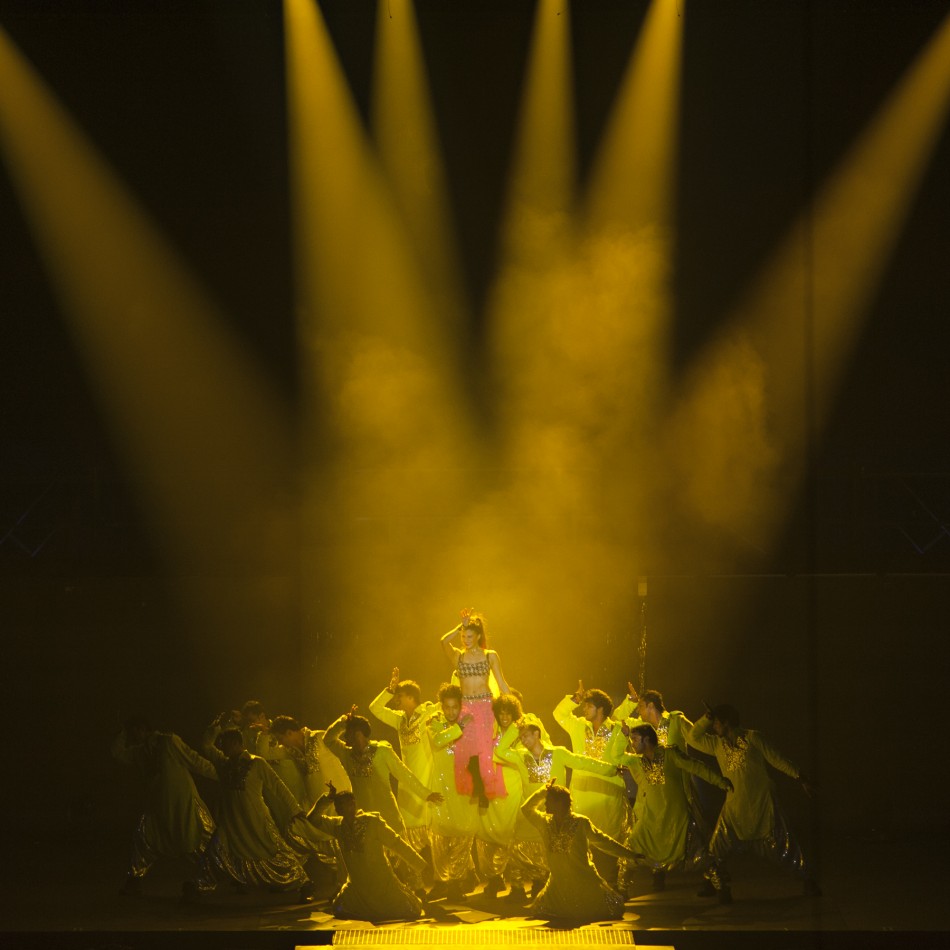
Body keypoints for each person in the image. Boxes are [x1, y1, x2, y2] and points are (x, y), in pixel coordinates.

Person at [688, 704, 821, 904]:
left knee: (784, 846)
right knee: (717, 847)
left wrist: (800, 777)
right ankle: (711, 882)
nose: (714, 727)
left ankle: (808, 879)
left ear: (726, 723)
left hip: (761, 805)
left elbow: (777, 759)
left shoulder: (753, 738)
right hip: (733, 808)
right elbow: (693, 738)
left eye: (716, 723)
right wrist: (706, 718)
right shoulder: (717, 745)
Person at [496, 716, 621, 903]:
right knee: (517, 849)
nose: (523, 740)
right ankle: (517, 889)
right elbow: (500, 750)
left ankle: (543, 885)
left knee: (551, 852)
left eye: (526, 736)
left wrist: (611, 769)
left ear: (537, 734)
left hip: (553, 816)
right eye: (521, 737)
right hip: (530, 815)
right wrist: (515, 726)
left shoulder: (557, 753)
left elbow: (583, 762)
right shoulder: (521, 756)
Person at [324, 707, 443, 895]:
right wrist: (342, 721)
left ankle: (418, 889)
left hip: (388, 812)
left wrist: (426, 794)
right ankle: (383, 893)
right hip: (363, 815)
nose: (346, 738)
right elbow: (328, 739)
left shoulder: (382, 751)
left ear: (359, 734)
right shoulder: (347, 755)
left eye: (349, 734)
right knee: (372, 856)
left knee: (401, 851)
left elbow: (404, 775)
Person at [610, 723, 732, 894]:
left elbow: (696, 766)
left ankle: (722, 889)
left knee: (701, 856)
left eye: (635, 739)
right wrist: (623, 736)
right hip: (650, 823)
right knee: (629, 852)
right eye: (631, 740)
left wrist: (720, 781)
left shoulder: (670, 754)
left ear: (646, 739)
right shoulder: (636, 762)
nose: (633, 743)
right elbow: (615, 756)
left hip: (677, 820)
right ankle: (621, 893)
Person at [200, 723, 313, 902]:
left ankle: (303, 883)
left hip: (257, 818)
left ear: (237, 744)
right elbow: (207, 747)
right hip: (231, 822)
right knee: (215, 850)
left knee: (275, 850)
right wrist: (214, 731)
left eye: (227, 743)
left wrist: (295, 809)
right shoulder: (224, 764)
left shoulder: (256, 762)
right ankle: (199, 886)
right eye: (222, 744)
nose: (223, 747)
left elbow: (277, 786)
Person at [111, 716, 217, 898]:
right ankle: (134, 882)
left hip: (184, 803)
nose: (136, 734)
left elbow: (194, 761)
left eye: (138, 729)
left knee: (200, 838)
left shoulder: (169, 741)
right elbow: (119, 753)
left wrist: (221, 774)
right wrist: (120, 734)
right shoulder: (139, 751)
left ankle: (206, 881)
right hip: (158, 807)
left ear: (146, 728)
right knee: (144, 839)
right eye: (132, 732)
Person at [310, 784, 428, 922]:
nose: (349, 807)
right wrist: (327, 799)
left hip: (382, 882)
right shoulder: (337, 826)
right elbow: (313, 819)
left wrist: (420, 865)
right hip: (357, 886)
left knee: (409, 910)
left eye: (351, 803)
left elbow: (397, 843)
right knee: (339, 908)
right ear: (337, 809)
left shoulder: (372, 822)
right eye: (344, 805)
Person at [522, 782, 637, 922]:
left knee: (612, 909)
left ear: (559, 803)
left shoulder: (581, 823)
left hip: (584, 881)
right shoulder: (545, 822)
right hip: (558, 886)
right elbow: (526, 809)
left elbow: (603, 841)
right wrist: (542, 792)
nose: (545, 804)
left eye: (548, 801)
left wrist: (628, 853)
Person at [553, 681, 629, 882]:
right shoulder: (578, 726)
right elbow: (559, 714)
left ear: (601, 708)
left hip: (607, 793)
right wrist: (574, 700)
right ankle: (583, 886)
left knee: (608, 841)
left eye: (588, 705)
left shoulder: (616, 730)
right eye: (583, 705)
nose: (584, 709)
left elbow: (621, 756)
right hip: (581, 793)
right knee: (581, 841)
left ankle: (612, 884)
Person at [440, 608, 511, 806]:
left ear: (478, 635)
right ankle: (476, 789)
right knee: (465, 751)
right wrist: (459, 626)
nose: (465, 639)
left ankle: (483, 792)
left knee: (484, 752)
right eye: (463, 636)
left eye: (469, 635)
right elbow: (444, 641)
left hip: (485, 706)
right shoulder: (458, 657)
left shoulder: (490, 656)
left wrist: (516, 709)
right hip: (465, 708)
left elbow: (502, 684)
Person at [369, 668, 439, 854]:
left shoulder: (428, 712)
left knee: (432, 822)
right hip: (407, 778)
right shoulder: (399, 719)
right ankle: (420, 869)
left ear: (410, 696)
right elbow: (374, 708)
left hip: (427, 775)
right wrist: (390, 689)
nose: (396, 700)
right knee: (409, 823)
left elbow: (452, 703)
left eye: (398, 696)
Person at [426, 683, 479, 902]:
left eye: (454, 707)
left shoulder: (469, 723)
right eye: (446, 707)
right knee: (439, 838)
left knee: (462, 835)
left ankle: (455, 883)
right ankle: (442, 881)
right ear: (441, 706)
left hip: (463, 788)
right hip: (439, 787)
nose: (450, 712)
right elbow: (438, 741)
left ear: (460, 706)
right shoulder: (434, 723)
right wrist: (460, 727)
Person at [475, 693, 525, 898]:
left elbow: (520, 759)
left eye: (508, 713)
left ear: (514, 714)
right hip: (490, 790)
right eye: (501, 713)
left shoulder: (521, 734)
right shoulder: (491, 732)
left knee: (512, 837)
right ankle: (495, 880)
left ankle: (518, 885)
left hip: (512, 790)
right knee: (487, 835)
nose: (504, 717)